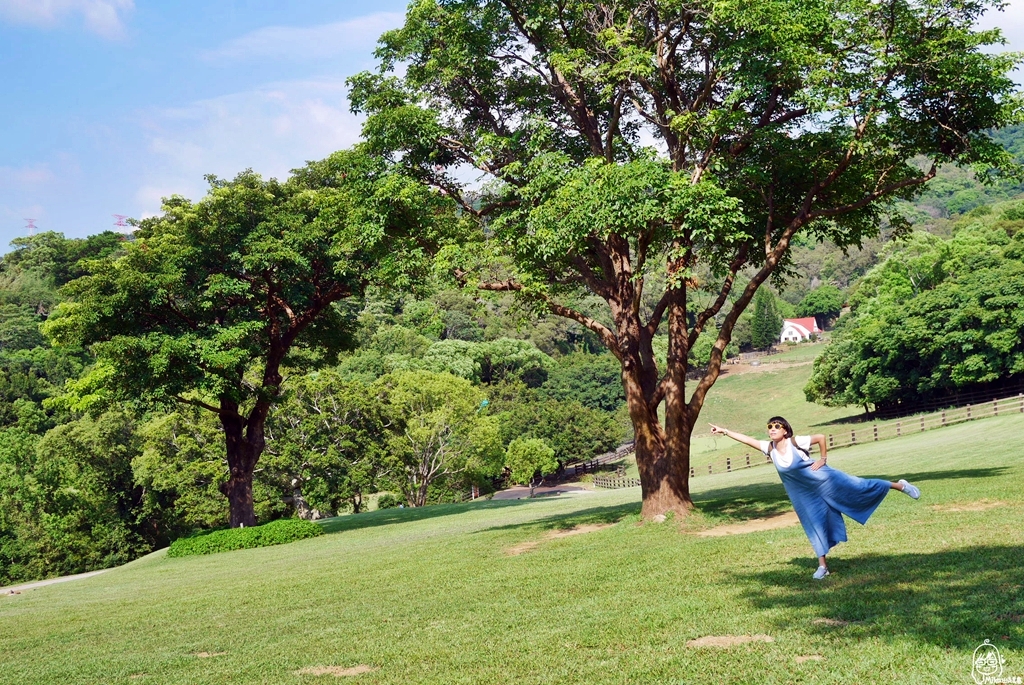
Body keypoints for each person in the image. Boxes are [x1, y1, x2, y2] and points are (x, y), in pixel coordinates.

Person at [709, 416, 920, 580]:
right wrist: (725, 431)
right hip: (803, 493)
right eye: (770, 427)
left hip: (825, 479)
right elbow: (747, 440)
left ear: (785, 431)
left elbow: (820, 438)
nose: (772, 429)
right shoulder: (769, 448)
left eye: (777, 426)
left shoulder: (795, 441)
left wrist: (824, 458)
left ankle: (901, 486)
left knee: (859, 486)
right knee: (813, 524)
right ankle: (822, 567)